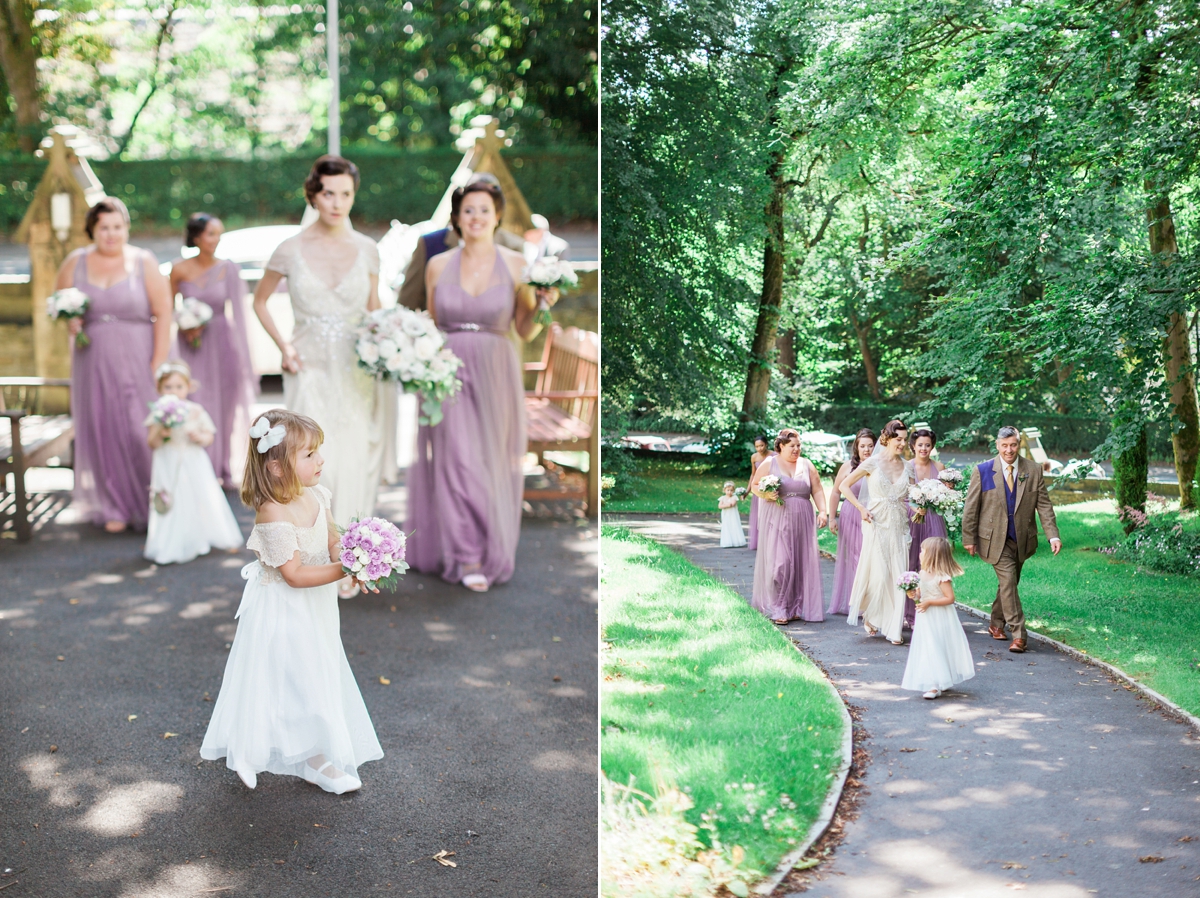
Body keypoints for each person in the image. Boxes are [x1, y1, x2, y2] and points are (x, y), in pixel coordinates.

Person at [200, 410, 383, 794]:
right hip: (282, 608)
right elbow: (295, 575)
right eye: (310, 454)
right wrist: (348, 570)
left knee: (314, 672)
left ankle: (309, 755)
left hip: (317, 607)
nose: (320, 461)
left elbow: (333, 540)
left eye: (319, 452)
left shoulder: (317, 493)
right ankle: (273, 751)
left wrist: (358, 557)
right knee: (284, 677)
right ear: (278, 467)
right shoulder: (273, 512)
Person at [405, 180, 556, 592]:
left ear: (497, 216)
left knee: (490, 461)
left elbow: (523, 330)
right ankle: (466, 554)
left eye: (483, 210)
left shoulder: (514, 264)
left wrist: (543, 305)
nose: (475, 218)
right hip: (446, 371)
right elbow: (433, 325)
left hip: (496, 370)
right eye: (468, 210)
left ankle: (488, 545)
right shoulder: (438, 265)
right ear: (456, 217)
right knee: (458, 460)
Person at [252, 155, 386, 533]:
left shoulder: (367, 249)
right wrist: (284, 346)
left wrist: (394, 344)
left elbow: (374, 310)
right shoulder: (289, 249)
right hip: (307, 366)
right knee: (305, 458)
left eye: (345, 193)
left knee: (352, 456)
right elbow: (259, 301)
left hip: (355, 371)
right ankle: (309, 552)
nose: (337, 202)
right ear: (313, 195)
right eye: (328, 193)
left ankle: (353, 553)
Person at [54, 197, 172, 533]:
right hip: (92, 360)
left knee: (141, 430)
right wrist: (71, 322)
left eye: (117, 227)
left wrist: (157, 363)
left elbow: (163, 312)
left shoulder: (142, 261)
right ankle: (114, 505)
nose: (111, 234)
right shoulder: (75, 262)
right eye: (104, 227)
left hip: (138, 357)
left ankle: (156, 501)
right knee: (102, 427)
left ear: (126, 227)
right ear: (92, 229)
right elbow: (59, 303)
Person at [170, 213, 257, 487]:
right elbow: (165, 308)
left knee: (225, 406)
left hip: (223, 343)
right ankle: (198, 467)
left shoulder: (228, 268)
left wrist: (243, 354)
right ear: (196, 238)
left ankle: (223, 468)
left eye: (219, 234)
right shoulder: (178, 269)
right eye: (210, 234)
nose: (216, 240)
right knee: (197, 401)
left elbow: (240, 313)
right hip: (191, 346)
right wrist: (183, 323)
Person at [961, 425, 1061, 653]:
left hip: (1022, 539)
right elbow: (971, 507)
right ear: (997, 445)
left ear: (1019, 444)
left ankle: (996, 624)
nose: (1009, 450)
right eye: (1004, 445)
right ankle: (1019, 635)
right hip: (994, 539)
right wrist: (969, 537)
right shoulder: (984, 470)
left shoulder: (1033, 470)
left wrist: (1052, 535)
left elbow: (1044, 505)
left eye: (1013, 445)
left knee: (1009, 584)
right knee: (1008, 582)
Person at [143, 361, 243, 564]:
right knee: (172, 498)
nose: (174, 391)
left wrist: (199, 436)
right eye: (168, 387)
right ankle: (170, 541)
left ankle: (198, 537)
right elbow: (151, 442)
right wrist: (162, 434)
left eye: (179, 386)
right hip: (168, 460)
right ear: (159, 389)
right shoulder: (159, 412)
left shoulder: (196, 410)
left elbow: (209, 436)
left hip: (192, 460)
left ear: (188, 387)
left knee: (196, 496)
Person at [396, 173, 526, 311]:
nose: (477, 216)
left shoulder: (513, 248)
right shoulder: (430, 244)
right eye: (470, 209)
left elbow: (519, 311)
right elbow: (407, 303)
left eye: (485, 208)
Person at [840, 419, 913, 644]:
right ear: (887, 439)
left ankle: (894, 628)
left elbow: (914, 496)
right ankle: (871, 613)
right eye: (898, 439)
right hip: (876, 522)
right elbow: (843, 486)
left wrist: (925, 504)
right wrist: (861, 507)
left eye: (904, 439)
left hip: (900, 524)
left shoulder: (908, 466)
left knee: (899, 572)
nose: (902, 443)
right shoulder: (872, 463)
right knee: (879, 572)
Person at [749, 429, 828, 624]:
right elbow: (755, 485)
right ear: (781, 446)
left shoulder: (806, 464)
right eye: (792, 446)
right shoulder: (770, 462)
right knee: (780, 564)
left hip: (802, 519)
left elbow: (817, 489)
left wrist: (823, 511)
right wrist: (766, 494)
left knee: (800, 563)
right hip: (778, 518)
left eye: (798, 446)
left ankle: (794, 606)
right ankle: (778, 606)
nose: (796, 449)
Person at [900, 537, 974, 699]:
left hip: (940, 616)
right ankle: (938, 680)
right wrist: (914, 594)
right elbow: (922, 593)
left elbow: (950, 598)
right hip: (926, 618)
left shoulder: (942, 576)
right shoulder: (921, 573)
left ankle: (934, 685)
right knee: (929, 647)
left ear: (931, 555)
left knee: (938, 646)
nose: (919, 553)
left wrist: (929, 602)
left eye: (922, 551)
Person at [828, 428, 875, 615]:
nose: (866, 450)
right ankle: (859, 602)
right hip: (851, 514)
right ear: (856, 446)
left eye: (870, 446)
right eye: (862, 446)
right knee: (857, 557)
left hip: (873, 516)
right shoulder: (848, 467)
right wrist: (832, 517)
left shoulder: (879, 466)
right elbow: (835, 492)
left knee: (872, 559)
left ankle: (870, 599)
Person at [905, 427, 946, 628]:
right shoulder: (906, 467)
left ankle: (935, 611)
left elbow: (945, 496)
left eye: (927, 445)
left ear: (932, 447)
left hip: (934, 520)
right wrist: (915, 509)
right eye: (920, 445)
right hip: (912, 519)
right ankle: (910, 615)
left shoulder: (939, 466)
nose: (923, 448)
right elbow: (902, 495)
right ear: (913, 446)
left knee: (933, 564)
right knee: (911, 563)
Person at [747, 435, 774, 550]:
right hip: (758, 490)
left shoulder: (774, 455)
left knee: (771, 516)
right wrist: (747, 490)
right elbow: (753, 475)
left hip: (770, 489)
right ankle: (760, 542)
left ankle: (771, 541)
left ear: (766, 444)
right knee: (759, 516)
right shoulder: (754, 457)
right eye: (757, 446)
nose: (759, 448)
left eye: (761, 445)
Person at [718, 481, 747, 548]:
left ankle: (736, 541)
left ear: (733, 491)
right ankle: (727, 542)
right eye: (728, 490)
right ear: (724, 490)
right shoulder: (722, 498)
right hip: (726, 515)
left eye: (731, 490)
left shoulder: (734, 497)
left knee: (734, 525)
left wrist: (725, 505)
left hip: (733, 515)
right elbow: (719, 506)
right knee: (726, 526)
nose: (729, 492)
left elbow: (732, 504)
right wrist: (727, 504)